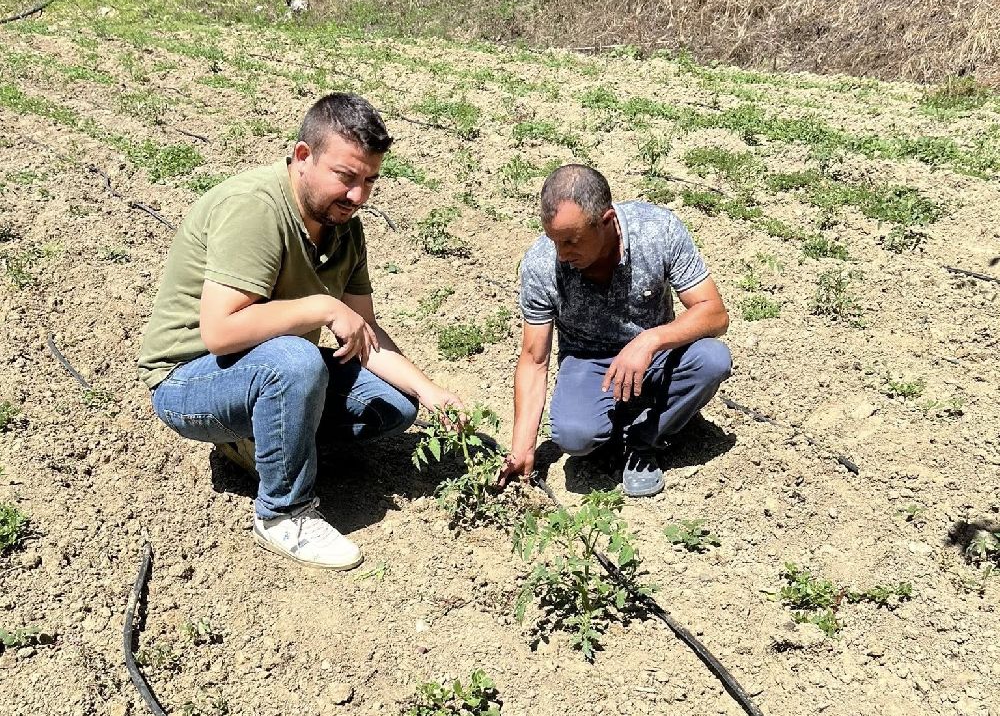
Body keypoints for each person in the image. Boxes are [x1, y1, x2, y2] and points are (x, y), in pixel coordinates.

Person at [138, 93, 462, 569]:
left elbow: (363, 331)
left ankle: (258, 446)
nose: (358, 197)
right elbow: (220, 333)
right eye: (346, 178)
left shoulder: (344, 224)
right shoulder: (256, 209)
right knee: (295, 361)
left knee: (393, 403)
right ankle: (284, 513)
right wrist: (321, 306)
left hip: (266, 368)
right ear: (303, 156)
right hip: (191, 380)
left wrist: (433, 392)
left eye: (369, 180)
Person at [501, 164, 731, 498]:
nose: (562, 255)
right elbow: (534, 359)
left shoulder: (658, 231)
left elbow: (714, 313)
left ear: (606, 221)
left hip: (657, 354)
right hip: (589, 361)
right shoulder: (541, 264)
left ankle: (643, 443)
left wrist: (650, 340)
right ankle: (643, 417)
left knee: (712, 359)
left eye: (572, 241)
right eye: (555, 241)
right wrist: (521, 447)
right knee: (574, 436)